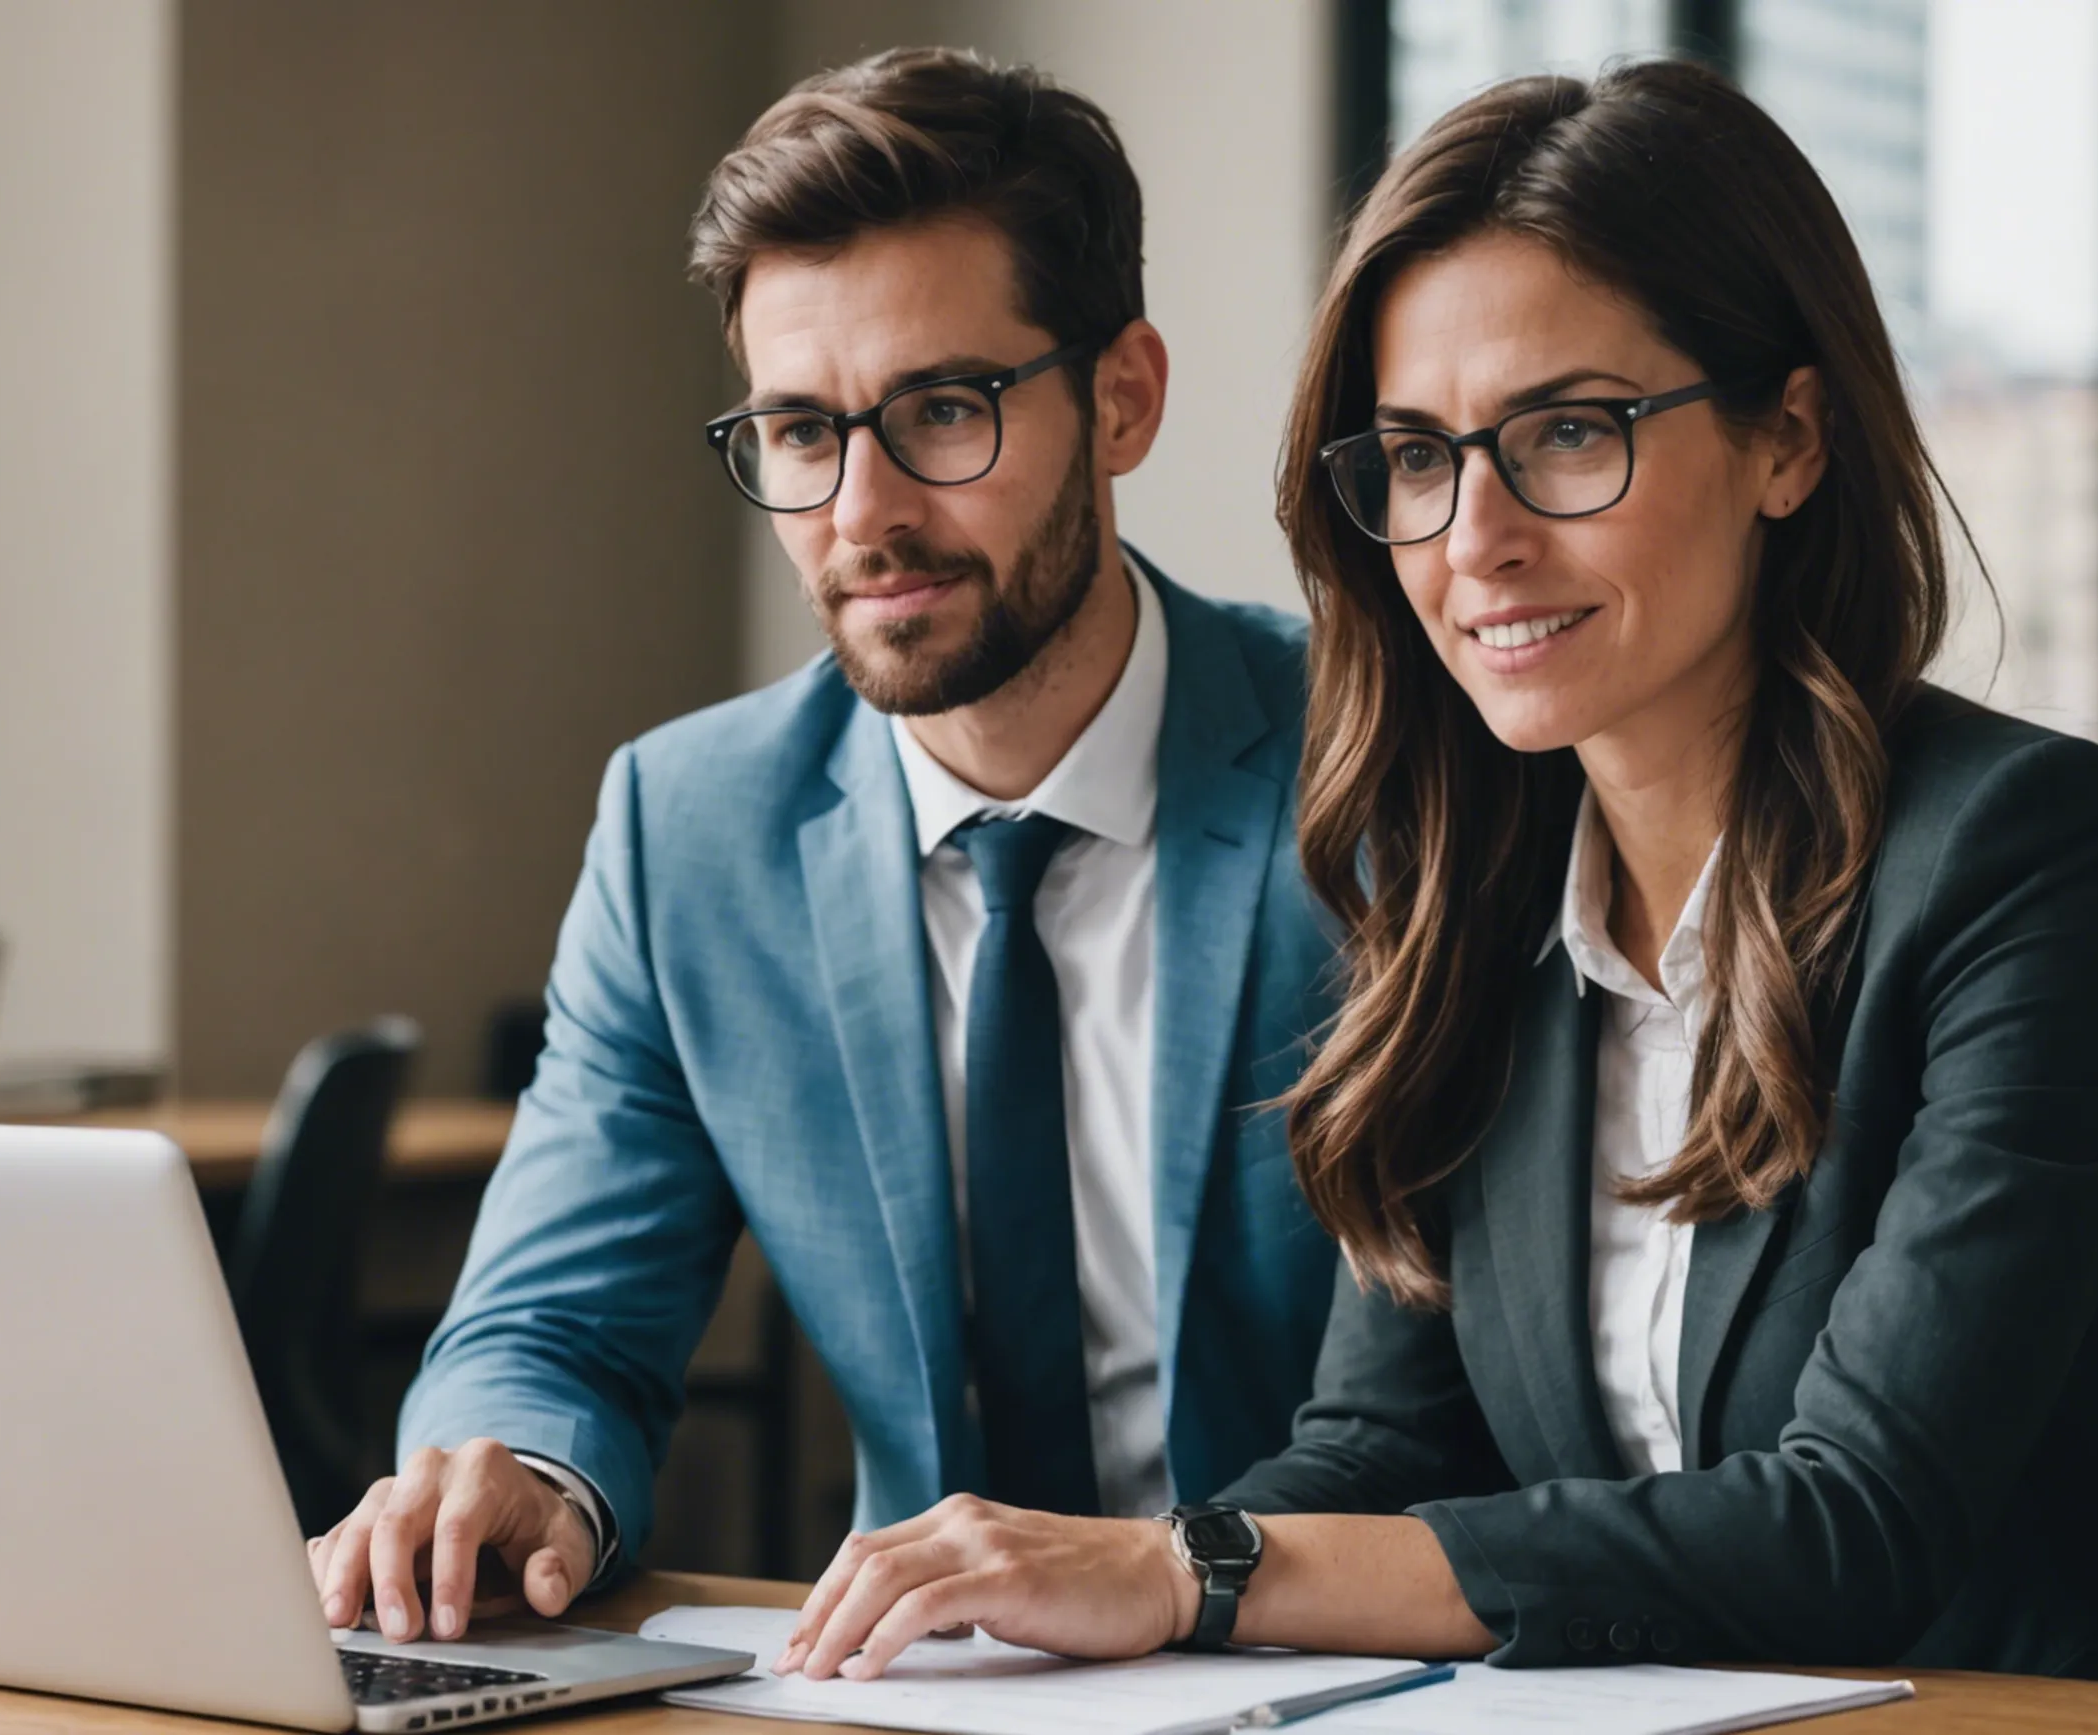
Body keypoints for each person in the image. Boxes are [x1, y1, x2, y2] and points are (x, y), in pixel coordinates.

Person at [771, 58, 2098, 1698]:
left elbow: (1854, 1528)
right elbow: (1377, 1452)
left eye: (1568, 434)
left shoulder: (2024, 851)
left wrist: (1182, 1566)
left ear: (1788, 438)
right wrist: (1071, 1626)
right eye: (1420, 457)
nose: (1474, 537)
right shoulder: (1468, 896)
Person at [311, 48, 1346, 1646]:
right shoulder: (691, 825)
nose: (861, 510)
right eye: (800, 430)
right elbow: (558, 1317)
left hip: (1346, 1668)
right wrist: (517, 1471)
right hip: (913, 1679)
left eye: (943, 408)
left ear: (1122, 396)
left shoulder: (1370, 763)